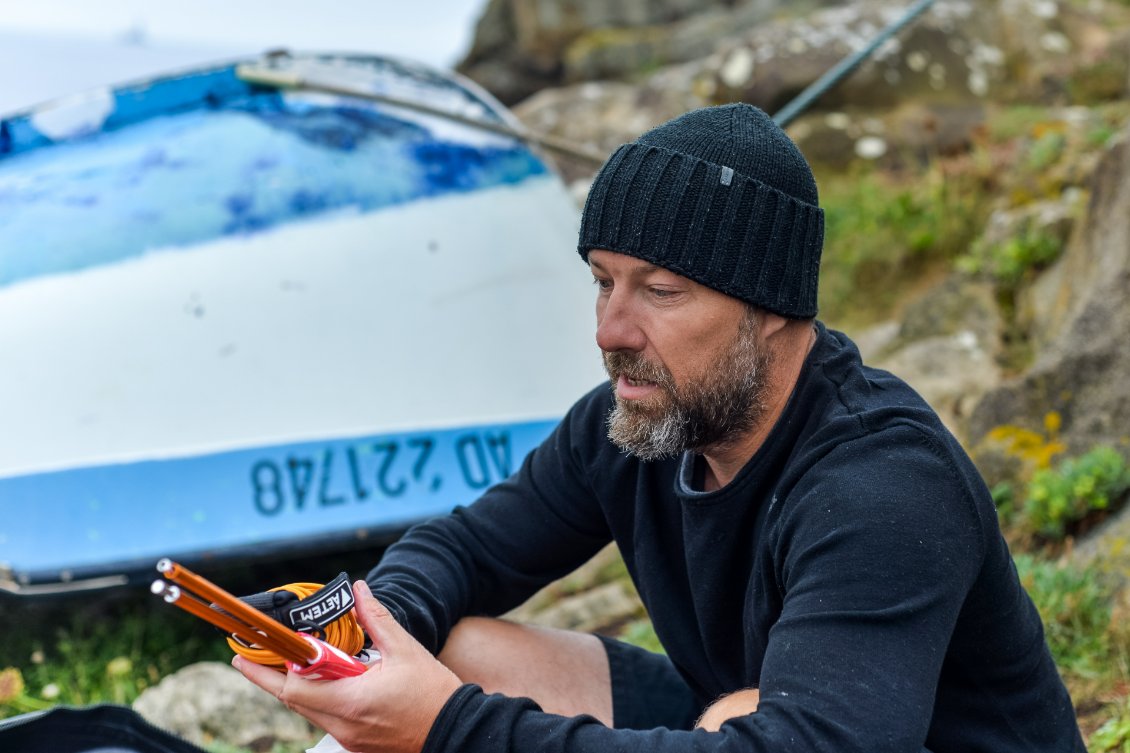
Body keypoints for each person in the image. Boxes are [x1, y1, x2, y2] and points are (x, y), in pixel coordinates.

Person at [234, 103, 1086, 753]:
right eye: (603, 281)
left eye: (660, 291)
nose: (611, 329)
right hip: (753, 719)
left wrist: (448, 728)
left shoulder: (883, 486)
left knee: (742, 718)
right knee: (456, 644)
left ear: (773, 310)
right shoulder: (646, 417)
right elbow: (469, 551)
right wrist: (357, 627)